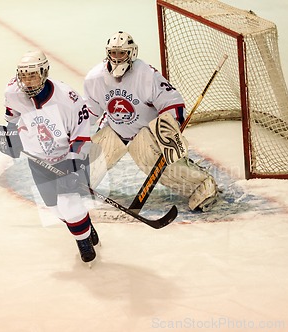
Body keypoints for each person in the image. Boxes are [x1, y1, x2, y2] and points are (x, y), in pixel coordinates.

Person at [83, 31, 218, 211]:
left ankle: (203, 184)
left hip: (144, 134)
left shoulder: (146, 74)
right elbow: (89, 112)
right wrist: (71, 130)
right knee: (85, 169)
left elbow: (172, 102)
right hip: (115, 130)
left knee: (164, 169)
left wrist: (169, 131)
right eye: (113, 53)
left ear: (131, 53)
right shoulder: (95, 78)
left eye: (121, 53)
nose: (117, 58)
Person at [0, 50, 99, 264]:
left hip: (69, 157)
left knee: (69, 204)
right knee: (55, 209)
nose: (27, 81)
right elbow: (12, 118)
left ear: (44, 73)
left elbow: (82, 137)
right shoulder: (12, 92)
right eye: (23, 76)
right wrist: (10, 136)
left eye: (32, 75)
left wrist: (73, 167)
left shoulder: (67, 99)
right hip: (38, 159)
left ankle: (84, 244)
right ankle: (85, 225)